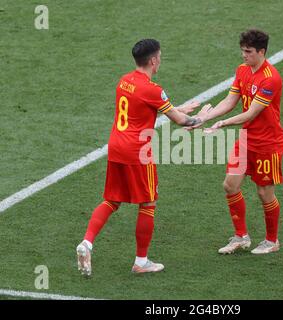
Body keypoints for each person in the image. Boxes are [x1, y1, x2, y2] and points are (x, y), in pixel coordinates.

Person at [76, 39, 211, 275]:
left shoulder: (124, 81)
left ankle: (86, 242)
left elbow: (143, 108)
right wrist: (202, 118)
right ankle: (141, 261)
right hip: (138, 152)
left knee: (112, 200)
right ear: (153, 60)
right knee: (148, 202)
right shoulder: (153, 89)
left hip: (116, 147)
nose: (160, 61)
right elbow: (180, 122)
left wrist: (177, 108)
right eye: (159, 57)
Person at [193, 29, 283, 255]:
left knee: (265, 193)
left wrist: (222, 124)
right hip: (247, 140)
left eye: (248, 51)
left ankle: (272, 241)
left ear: (261, 52)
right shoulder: (242, 70)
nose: (243, 55)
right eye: (242, 50)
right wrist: (205, 117)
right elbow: (230, 100)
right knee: (230, 185)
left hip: (267, 143)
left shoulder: (270, 78)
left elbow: (251, 113)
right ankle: (241, 236)